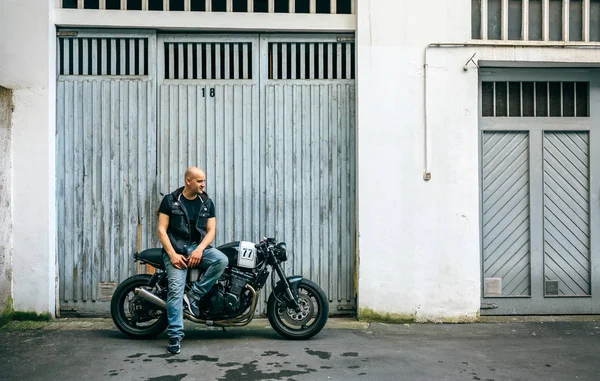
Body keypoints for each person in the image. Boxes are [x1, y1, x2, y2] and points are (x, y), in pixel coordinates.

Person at [157, 166, 228, 355]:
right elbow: (162, 230)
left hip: (197, 248)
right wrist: (172, 254)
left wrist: (199, 249)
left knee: (221, 260)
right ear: (188, 181)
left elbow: (211, 230)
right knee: (175, 290)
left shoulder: (206, 202)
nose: (203, 184)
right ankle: (175, 335)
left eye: (204, 180)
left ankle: (194, 296)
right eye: (199, 181)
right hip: (176, 251)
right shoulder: (170, 200)